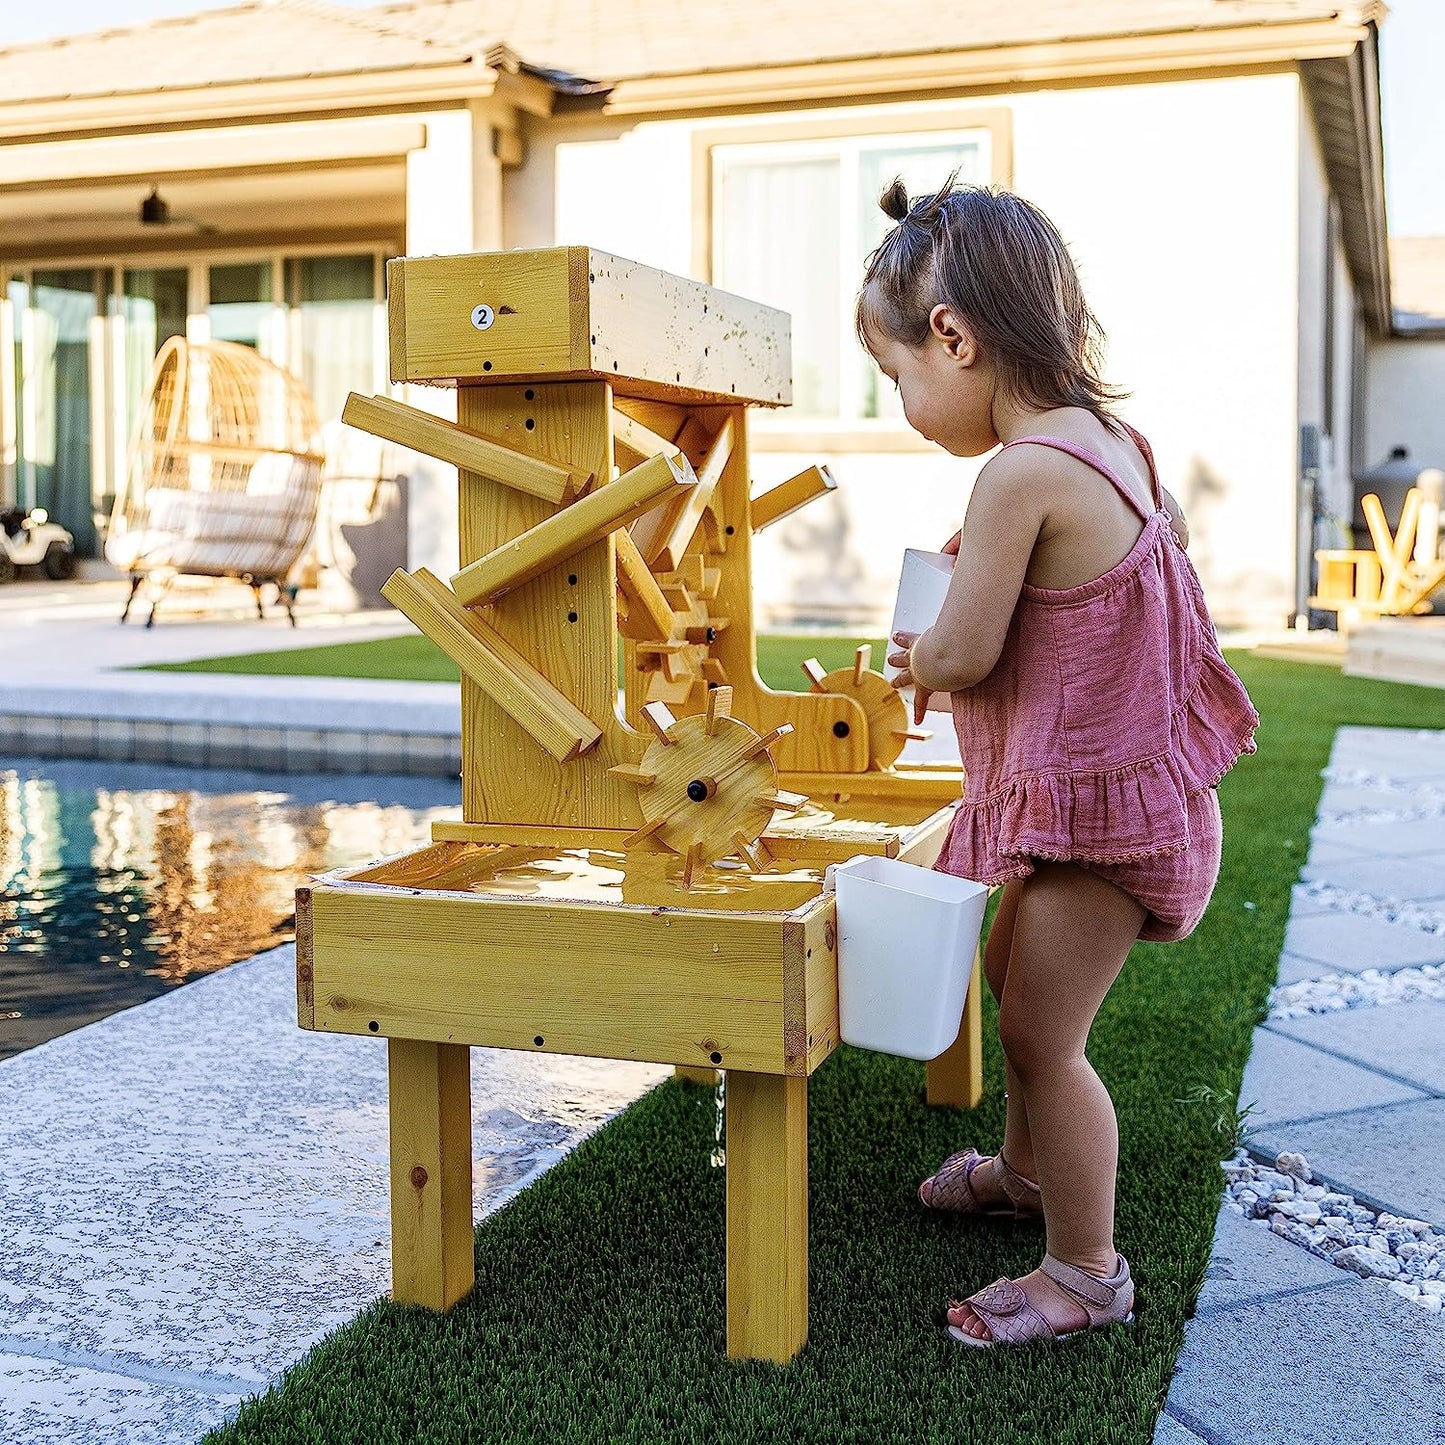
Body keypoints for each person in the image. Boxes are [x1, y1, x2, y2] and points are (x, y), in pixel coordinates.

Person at [862, 177, 1258, 1348]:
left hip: (1102, 824)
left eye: (896, 378)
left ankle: (1086, 1268)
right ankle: (1025, 1175)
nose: (902, 406)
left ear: (953, 337)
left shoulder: (1017, 474)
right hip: (1126, 792)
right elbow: (1111, 583)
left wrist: (917, 656)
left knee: (1043, 1035)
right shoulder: (1112, 446)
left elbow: (967, 647)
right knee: (1011, 982)